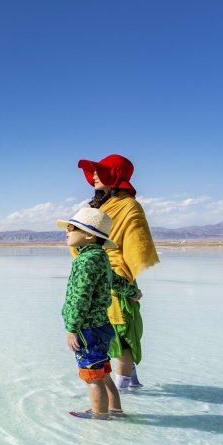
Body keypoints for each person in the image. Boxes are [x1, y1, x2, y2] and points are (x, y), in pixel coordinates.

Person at [76, 154, 159, 390]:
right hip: (98, 275)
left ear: (115, 175)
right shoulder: (101, 205)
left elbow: (135, 243)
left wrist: (126, 283)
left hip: (117, 276)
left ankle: (122, 394)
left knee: (120, 336)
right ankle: (131, 384)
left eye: (99, 171)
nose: (93, 176)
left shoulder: (129, 206)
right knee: (107, 332)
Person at [58, 208, 123, 420]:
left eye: (71, 228)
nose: (67, 232)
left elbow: (79, 298)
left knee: (92, 377)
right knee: (103, 373)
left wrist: (72, 328)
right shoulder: (100, 257)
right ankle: (114, 410)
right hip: (102, 325)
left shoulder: (84, 261)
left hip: (87, 328)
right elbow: (116, 279)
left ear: (89, 235)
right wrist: (133, 292)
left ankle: (99, 417)